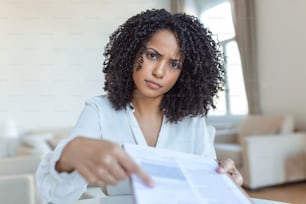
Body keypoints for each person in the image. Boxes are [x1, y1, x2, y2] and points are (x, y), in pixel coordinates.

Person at [35, 8, 243, 204]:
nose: (159, 72)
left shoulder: (192, 119)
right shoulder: (99, 111)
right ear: (132, 53)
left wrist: (224, 180)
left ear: (184, 73)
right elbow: (55, 196)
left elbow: (207, 190)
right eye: (152, 55)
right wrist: (67, 157)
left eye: (174, 64)